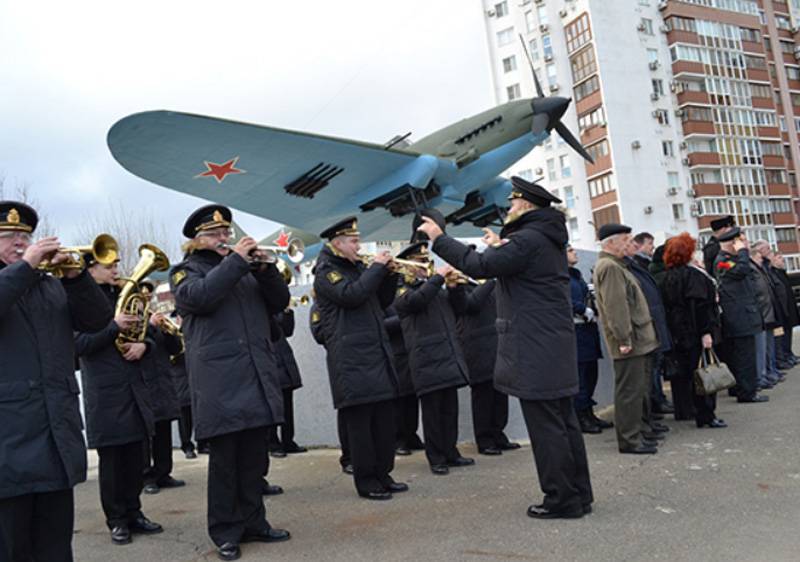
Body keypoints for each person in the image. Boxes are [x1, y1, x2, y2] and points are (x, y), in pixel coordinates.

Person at [418, 176, 593, 519]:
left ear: (525, 205)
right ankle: (579, 494)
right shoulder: (545, 238)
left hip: (534, 346)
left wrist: (439, 239)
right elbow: (513, 264)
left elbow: (479, 266)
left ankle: (561, 499)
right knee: (564, 422)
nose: (509, 209)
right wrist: (502, 244)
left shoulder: (528, 239)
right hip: (552, 344)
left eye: (513, 204)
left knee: (546, 428)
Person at [170, 204, 291, 561]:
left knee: (255, 459)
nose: (224, 238)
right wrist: (236, 262)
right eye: (215, 234)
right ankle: (225, 530)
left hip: (255, 374)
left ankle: (255, 522)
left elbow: (280, 303)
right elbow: (200, 298)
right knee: (226, 462)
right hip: (220, 381)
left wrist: (267, 270)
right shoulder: (184, 272)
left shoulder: (246, 271)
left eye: (226, 233)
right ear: (197, 240)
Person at [0, 202, 112, 562]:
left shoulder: (49, 284)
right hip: (8, 441)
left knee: (55, 545)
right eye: (9, 237)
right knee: (13, 545)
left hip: (55, 434)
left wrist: (76, 278)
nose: (20, 242)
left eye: (25, 237)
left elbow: (97, 322)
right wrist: (26, 264)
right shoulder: (19, 276)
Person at [313, 217, 407, 500]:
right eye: (353, 241)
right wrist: (376, 268)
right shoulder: (326, 272)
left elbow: (382, 301)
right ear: (338, 244)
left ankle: (383, 473)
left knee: (383, 422)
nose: (358, 245)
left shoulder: (358, 269)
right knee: (361, 426)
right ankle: (366, 481)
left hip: (374, 353)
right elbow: (352, 295)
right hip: (351, 358)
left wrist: (389, 275)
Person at [76, 246, 163, 545]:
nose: (115, 269)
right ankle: (116, 519)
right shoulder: (77, 301)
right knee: (112, 460)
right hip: (105, 389)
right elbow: (78, 345)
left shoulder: (124, 294)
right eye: (107, 265)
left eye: (116, 264)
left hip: (134, 385)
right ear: (90, 270)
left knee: (136, 455)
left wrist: (144, 346)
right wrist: (113, 328)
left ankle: (135, 512)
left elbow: (148, 336)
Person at [394, 242, 473, 474]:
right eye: (419, 262)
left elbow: (460, 309)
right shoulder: (401, 288)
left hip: (446, 354)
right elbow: (414, 302)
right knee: (432, 412)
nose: (424, 265)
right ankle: (436, 457)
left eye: (425, 261)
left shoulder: (434, 287)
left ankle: (451, 452)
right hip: (425, 357)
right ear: (406, 265)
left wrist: (455, 287)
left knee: (449, 409)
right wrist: (437, 279)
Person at [593, 224, 660, 455]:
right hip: (629, 340)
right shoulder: (610, 267)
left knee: (638, 389)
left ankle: (638, 432)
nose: (628, 244)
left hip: (637, 338)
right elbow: (616, 307)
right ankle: (630, 439)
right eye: (624, 239)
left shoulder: (617, 266)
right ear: (610, 243)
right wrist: (624, 338)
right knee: (629, 392)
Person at [661, 233, 726, 428]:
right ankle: (706, 415)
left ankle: (690, 411)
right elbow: (700, 306)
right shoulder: (693, 276)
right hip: (694, 331)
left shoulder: (668, 277)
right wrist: (706, 332)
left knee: (686, 374)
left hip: (677, 332)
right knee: (704, 372)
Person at [449, 276, 520, 453]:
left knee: (500, 394)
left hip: (497, 344)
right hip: (477, 348)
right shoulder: (461, 288)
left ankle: (498, 434)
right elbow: (470, 305)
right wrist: (489, 281)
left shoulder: (491, 286)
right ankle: (485, 440)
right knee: (483, 396)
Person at [713, 228, 768, 404]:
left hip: (744, 315)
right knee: (744, 357)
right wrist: (743, 251)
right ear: (732, 243)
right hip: (738, 317)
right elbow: (742, 270)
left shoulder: (733, 260)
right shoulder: (722, 262)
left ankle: (745, 388)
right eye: (741, 241)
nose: (745, 245)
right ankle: (746, 392)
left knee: (744, 355)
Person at [624, 240, 673, 433]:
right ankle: (643, 423)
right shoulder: (619, 268)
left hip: (651, 326)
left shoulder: (637, 266)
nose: (632, 245)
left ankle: (649, 417)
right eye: (627, 241)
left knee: (651, 373)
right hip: (641, 331)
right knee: (643, 380)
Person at [141, 304, 186, 495]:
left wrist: (167, 332)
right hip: (144, 382)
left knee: (164, 431)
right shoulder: (133, 323)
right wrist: (150, 326)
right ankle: (146, 477)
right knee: (146, 436)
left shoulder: (156, 322)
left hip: (163, 381)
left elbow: (175, 349)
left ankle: (163, 472)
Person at [567, 245, 610, 434]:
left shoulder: (575, 275)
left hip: (588, 329)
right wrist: (581, 309)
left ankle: (589, 413)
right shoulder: (560, 277)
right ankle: (581, 417)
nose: (574, 252)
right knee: (582, 377)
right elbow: (565, 299)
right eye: (569, 250)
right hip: (576, 331)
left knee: (590, 374)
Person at [384, 304, 425, 456]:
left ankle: (411, 435)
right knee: (399, 401)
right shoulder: (384, 298)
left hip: (411, 351)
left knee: (412, 399)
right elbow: (382, 325)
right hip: (396, 354)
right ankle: (398, 440)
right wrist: (404, 318)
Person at [267, 309, 307, 457]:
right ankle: (272, 443)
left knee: (287, 405)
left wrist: (287, 312)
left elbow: (288, 331)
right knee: (272, 406)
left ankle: (288, 441)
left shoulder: (277, 310)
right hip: (270, 357)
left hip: (283, 358)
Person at [748, 240, 782, 389]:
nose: (762, 258)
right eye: (759, 256)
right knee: (761, 349)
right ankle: (762, 375)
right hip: (761, 313)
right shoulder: (752, 269)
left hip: (768, 312)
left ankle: (769, 371)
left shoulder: (761, 268)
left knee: (768, 345)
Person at [167, 313, 196, 459]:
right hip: (179, 375)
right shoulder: (173, 330)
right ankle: (187, 445)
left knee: (192, 411)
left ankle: (200, 443)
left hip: (191, 372)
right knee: (184, 412)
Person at [770, 253, 800, 367]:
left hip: (789, 307)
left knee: (789, 331)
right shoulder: (773, 273)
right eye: (779, 258)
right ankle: (783, 356)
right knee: (781, 335)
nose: (782, 260)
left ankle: (788, 353)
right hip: (780, 309)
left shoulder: (782, 272)